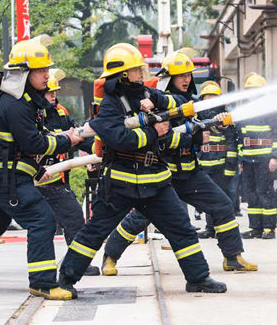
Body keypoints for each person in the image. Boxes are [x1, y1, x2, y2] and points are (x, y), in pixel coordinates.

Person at [58, 45, 226, 293]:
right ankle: (66, 280)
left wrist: (157, 99)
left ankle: (198, 278)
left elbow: (181, 102)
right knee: (94, 232)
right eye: (136, 69)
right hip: (121, 184)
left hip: (156, 180)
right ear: (124, 75)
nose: (141, 72)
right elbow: (117, 139)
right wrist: (152, 132)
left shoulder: (147, 94)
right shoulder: (110, 105)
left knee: (181, 228)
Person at [0, 36, 84, 300]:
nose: (48, 75)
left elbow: (20, 145)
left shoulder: (23, 100)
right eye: (42, 70)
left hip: (1, 174)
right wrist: (66, 140)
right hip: (6, 178)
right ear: (25, 72)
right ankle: (43, 282)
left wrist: (38, 167)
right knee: (42, 220)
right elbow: (32, 143)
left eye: (47, 69)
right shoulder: (16, 103)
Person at [99, 53, 256, 274]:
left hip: (190, 172)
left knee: (222, 205)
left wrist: (216, 124)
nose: (185, 79)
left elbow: (198, 123)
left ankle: (233, 256)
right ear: (169, 78)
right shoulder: (156, 102)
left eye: (188, 75)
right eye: (180, 75)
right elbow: (162, 137)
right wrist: (196, 138)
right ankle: (110, 257)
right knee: (140, 218)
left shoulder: (189, 101)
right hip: (165, 175)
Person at [37, 69, 99, 275]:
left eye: (55, 92)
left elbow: (80, 136)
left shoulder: (61, 113)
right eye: (49, 93)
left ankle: (78, 264)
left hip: (56, 180)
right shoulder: (32, 113)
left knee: (73, 218)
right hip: (32, 180)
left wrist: (98, 149)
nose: (53, 96)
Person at [238, 73, 277, 239]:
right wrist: (240, 159)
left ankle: (269, 227)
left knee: (265, 192)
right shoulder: (244, 110)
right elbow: (239, 135)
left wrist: (275, 157)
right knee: (251, 194)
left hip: (265, 159)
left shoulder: (270, 110)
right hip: (248, 159)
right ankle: (255, 227)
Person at [195, 80, 239, 238]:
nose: (211, 100)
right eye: (208, 97)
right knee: (208, 199)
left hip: (220, 166)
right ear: (202, 98)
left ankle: (223, 229)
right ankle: (210, 228)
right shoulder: (197, 115)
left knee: (222, 199)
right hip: (203, 165)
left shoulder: (226, 118)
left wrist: (230, 168)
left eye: (214, 97)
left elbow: (232, 143)